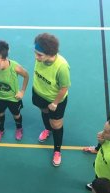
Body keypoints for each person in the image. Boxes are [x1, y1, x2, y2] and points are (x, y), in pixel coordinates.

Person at [32, 33, 70, 167]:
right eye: (35, 53)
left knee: (56, 124)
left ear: (50, 54)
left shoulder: (62, 67)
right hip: (38, 93)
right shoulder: (41, 58)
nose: (36, 57)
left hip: (54, 100)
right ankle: (47, 129)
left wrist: (55, 103)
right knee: (44, 112)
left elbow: (64, 88)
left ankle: (57, 150)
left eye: (39, 55)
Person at [0, 40, 29, 143]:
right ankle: (1, 130)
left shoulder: (15, 67)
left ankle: (19, 129)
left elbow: (26, 76)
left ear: (5, 59)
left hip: (13, 97)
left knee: (16, 115)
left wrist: (22, 91)